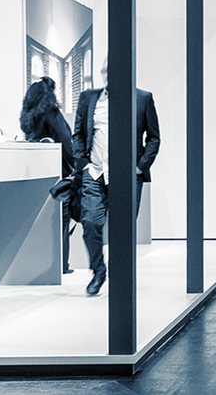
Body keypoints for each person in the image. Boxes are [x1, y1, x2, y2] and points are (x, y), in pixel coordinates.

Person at [73, 56, 161, 296]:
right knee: (90, 223)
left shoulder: (143, 99)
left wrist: (141, 166)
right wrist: (83, 163)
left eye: (111, 71)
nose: (107, 76)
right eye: (104, 71)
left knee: (124, 230)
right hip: (95, 172)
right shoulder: (89, 98)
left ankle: (121, 276)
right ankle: (99, 271)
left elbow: (153, 137)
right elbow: (78, 133)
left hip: (128, 175)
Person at [20, 77, 75, 274]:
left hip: (36, 173)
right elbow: (66, 140)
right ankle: (62, 265)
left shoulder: (27, 115)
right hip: (57, 172)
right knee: (61, 218)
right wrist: (77, 166)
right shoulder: (51, 111)